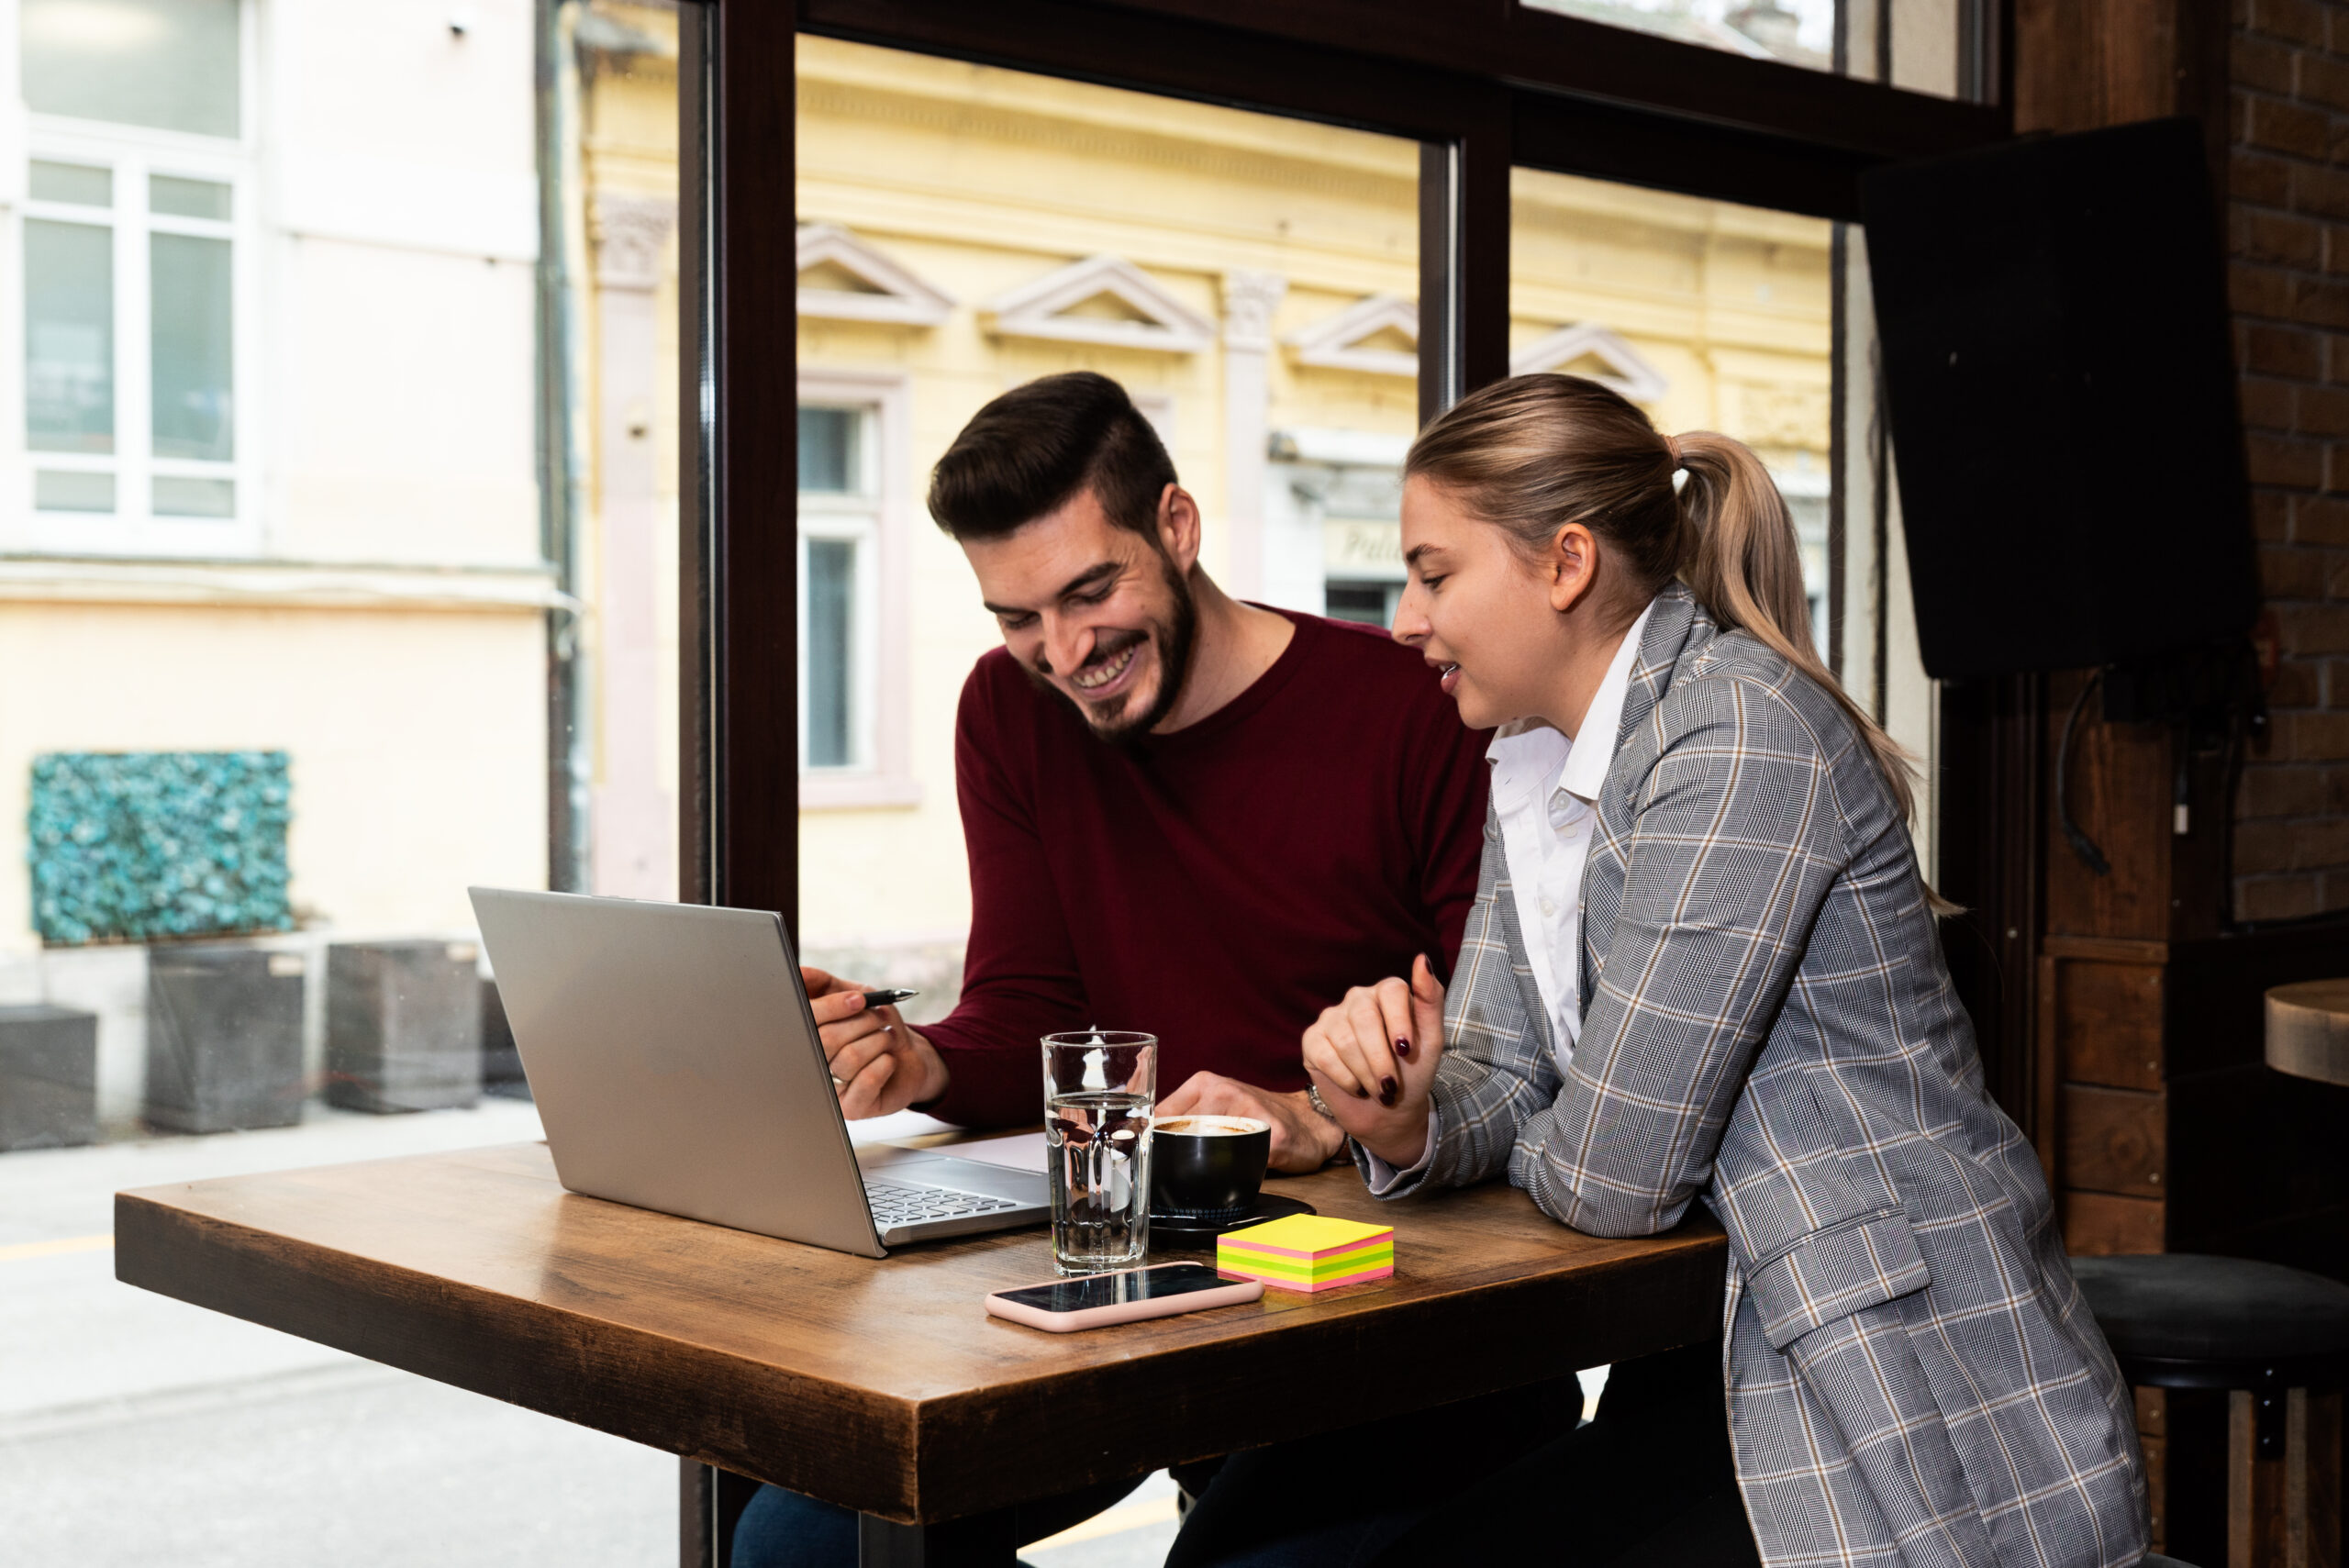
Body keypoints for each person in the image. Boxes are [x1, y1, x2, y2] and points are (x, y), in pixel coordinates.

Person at [1217, 373, 2146, 1566]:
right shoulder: (1527, 762)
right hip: (1719, 1357)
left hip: (1892, 1382)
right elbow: (1504, 1068)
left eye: (1434, 571)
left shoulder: (1737, 735)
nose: (1404, 617)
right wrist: (1404, 1119)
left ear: (1564, 564)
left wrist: (1549, 1120)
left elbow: (1617, 1176)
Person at [730, 372, 1542, 1568]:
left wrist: (1314, 1112)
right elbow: (1038, 1008)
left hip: (1374, 1308)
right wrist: (922, 1059)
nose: (1062, 653)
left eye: (1089, 589)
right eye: (1017, 616)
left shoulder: (1411, 707)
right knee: (802, 1546)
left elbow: (1499, 1051)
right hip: (1140, 1272)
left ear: (1177, 527)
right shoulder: (1009, 710)